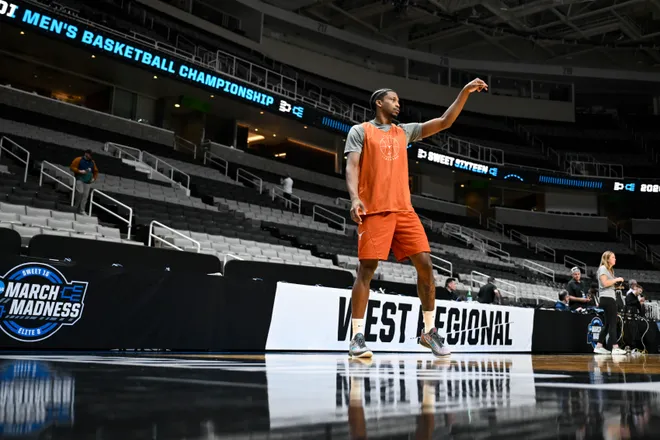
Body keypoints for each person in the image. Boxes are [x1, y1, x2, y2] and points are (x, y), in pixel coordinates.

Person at [344, 78, 488, 358]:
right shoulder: (359, 131)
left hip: (404, 211)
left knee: (426, 265)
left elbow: (445, 121)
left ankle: (429, 331)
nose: (398, 104)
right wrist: (354, 198)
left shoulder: (404, 132)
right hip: (374, 209)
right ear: (379, 102)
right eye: (393, 99)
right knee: (366, 269)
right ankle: (356, 337)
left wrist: (464, 91)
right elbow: (351, 166)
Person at [593, 251, 626, 355]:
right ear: (607, 259)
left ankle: (598, 346)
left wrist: (617, 286)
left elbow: (608, 284)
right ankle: (615, 347)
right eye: (613, 257)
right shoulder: (603, 268)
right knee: (612, 323)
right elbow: (604, 283)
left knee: (607, 324)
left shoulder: (610, 270)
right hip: (607, 298)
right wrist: (616, 279)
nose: (615, 259)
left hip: (608, 297)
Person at [70, 149, 99, 215]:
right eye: (90, 155)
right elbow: (72, 167)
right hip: (80, 178)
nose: (91, 156)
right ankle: (75, 207)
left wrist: (94, 179)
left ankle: (82, 210)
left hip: (88, 181)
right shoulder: (78, 159)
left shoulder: (92, 162)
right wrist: (79, 171)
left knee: (85, 196)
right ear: (86, 154)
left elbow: (96, 171)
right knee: (80, 192)